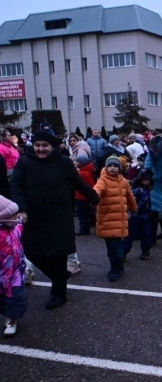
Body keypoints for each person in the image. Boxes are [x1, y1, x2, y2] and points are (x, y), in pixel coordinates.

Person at [11, 131, 99, 309]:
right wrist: (22, 208)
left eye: (45, 145)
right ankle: (59, 276)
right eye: (37, 145)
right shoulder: (24, 162)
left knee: (59, 254)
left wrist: (94, 198)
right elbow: (16, 185)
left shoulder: (63, 162)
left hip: (59, 214)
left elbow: (77, 182)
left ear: (52, 146)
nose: (41, 149)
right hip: (34, 216)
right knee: (31, 251)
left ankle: (59, 294)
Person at [94, 156, 137, 281]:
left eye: (115, 166)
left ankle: (118, 266)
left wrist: (134, 208)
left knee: (117, 247)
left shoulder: (123, 181)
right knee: (114, 248)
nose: (112, 168)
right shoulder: (103, 180)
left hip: (121, 220)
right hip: (108, 220)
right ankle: (115, 268)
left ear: (120, 168)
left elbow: (130, 196)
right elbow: (97, 189)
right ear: (106, 167)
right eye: (110, 166)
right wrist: (94, 196)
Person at [0, 195, 28, 336]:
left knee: (16, 296)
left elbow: (21, 224)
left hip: (16, 271)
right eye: (12, 216)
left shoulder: (16, 228)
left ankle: (11, 320)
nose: (16, 218)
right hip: (2, 272)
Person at [124, 169, 153, 260]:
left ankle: (124, 253)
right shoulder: (139, 190)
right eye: (144, 180)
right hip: (137, 215)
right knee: (139, 234)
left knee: (144, 234)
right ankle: (124, 253)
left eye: (147, 180)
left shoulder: (142, 189)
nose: (146, 182)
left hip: (141, 215)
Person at [74, 153, 96, 235]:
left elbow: (89, 185)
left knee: (82, 214)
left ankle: (84, 229)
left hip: (81, 196)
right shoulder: (88, 170)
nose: (76, 163)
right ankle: (92, 223)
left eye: (77, 161)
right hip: (85, 196)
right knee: (88, 211)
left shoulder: (83, 173)